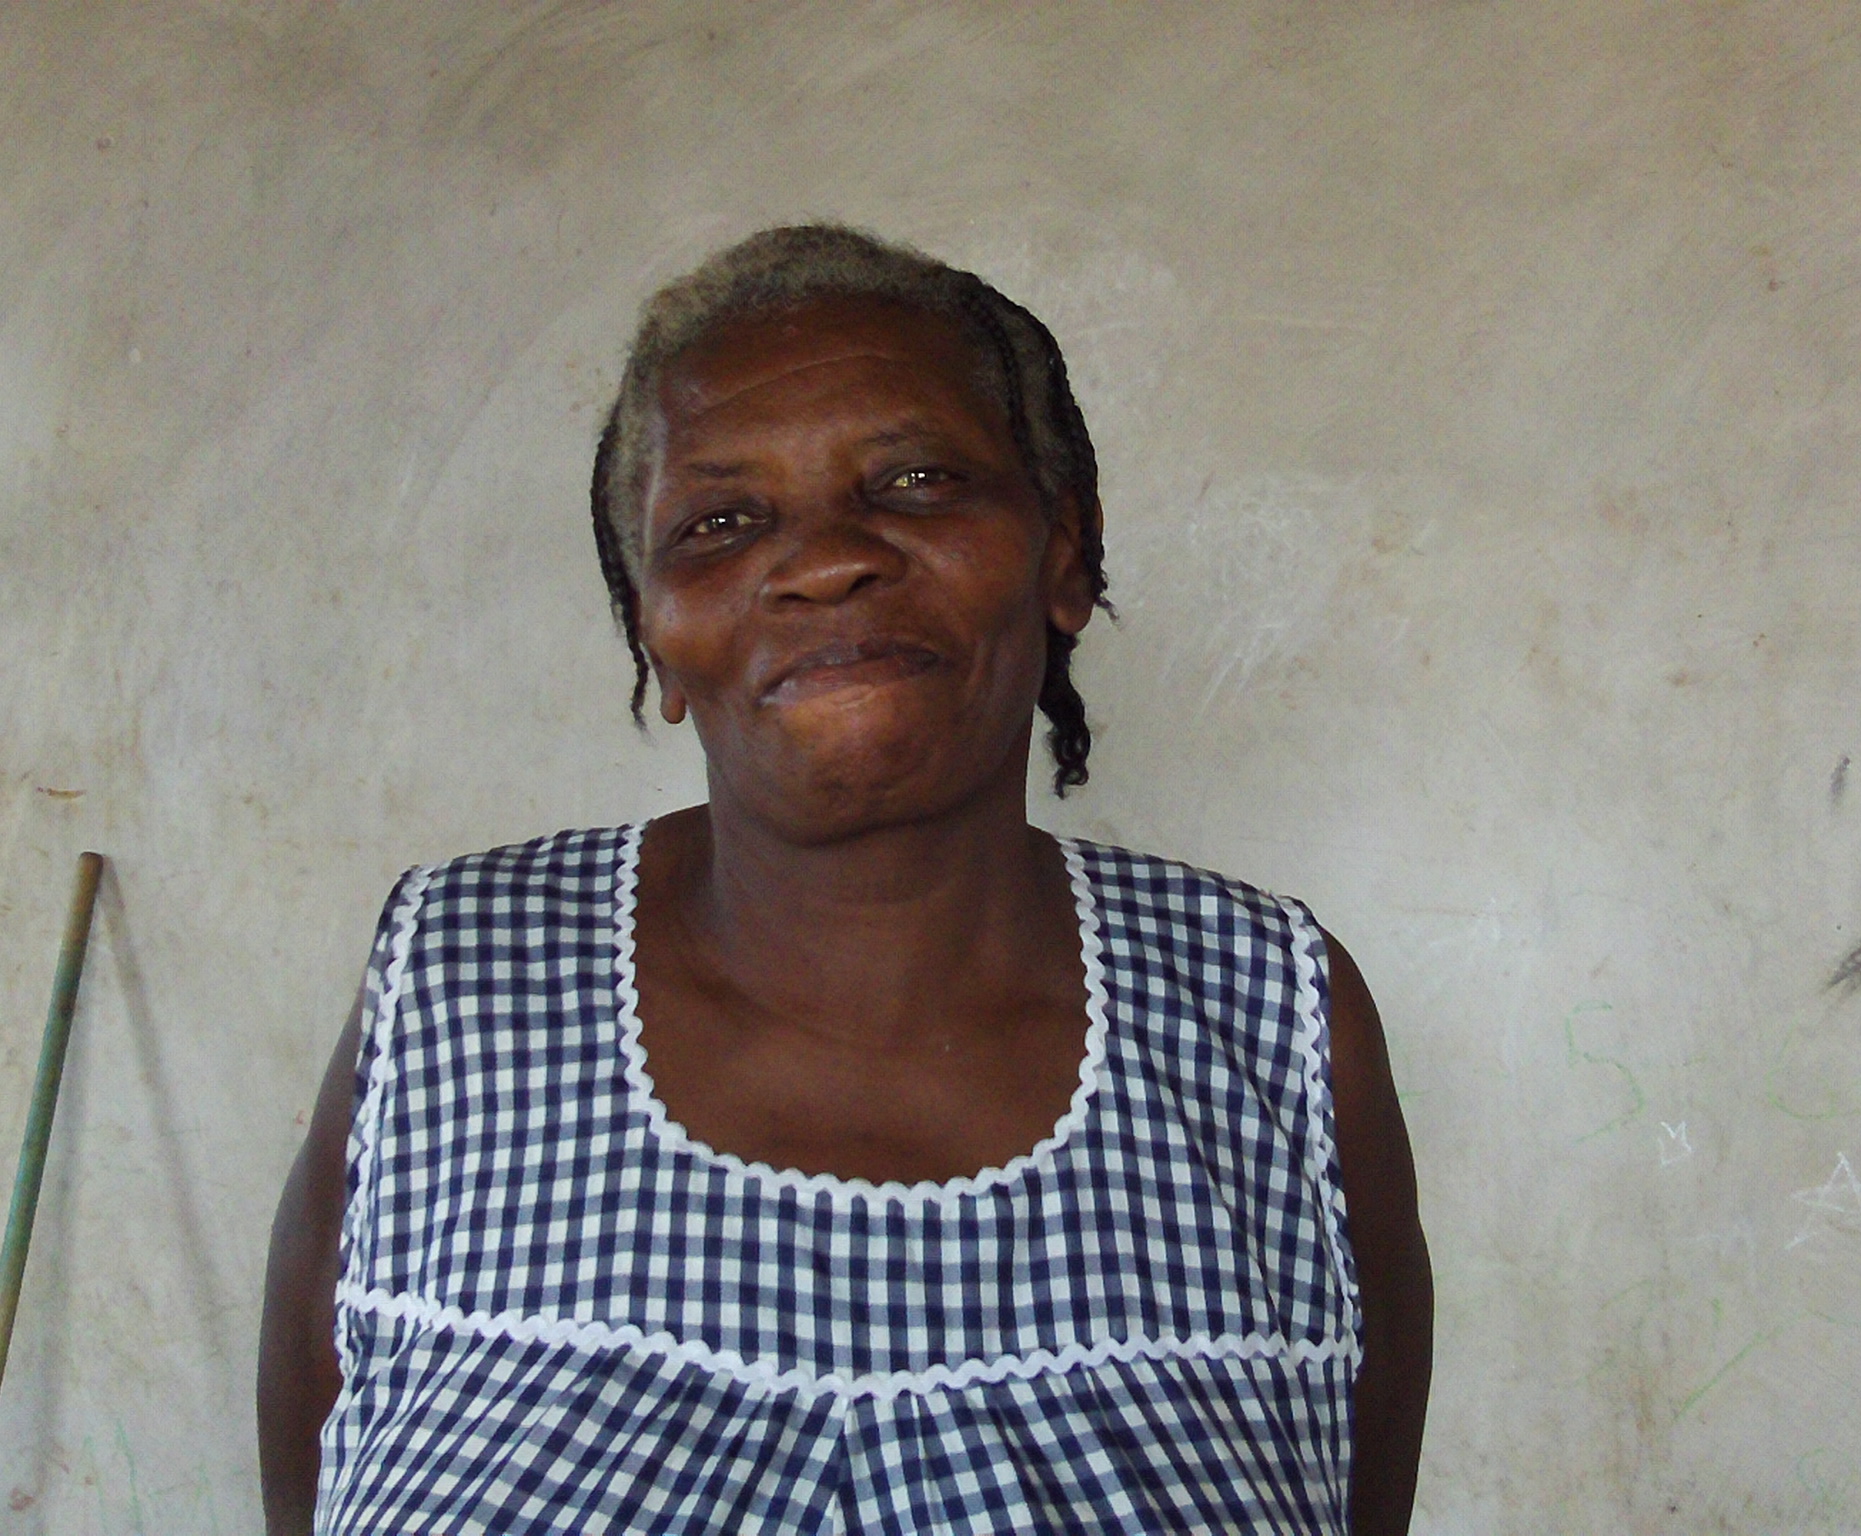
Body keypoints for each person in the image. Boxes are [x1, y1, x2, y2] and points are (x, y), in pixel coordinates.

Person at [258, 224, 1432, 1534]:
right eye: (720, 521)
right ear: (651, 628)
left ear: (1063, 552)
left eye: (917, 480)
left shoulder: (1273, 1018)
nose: (824, 561)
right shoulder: (452, 981)